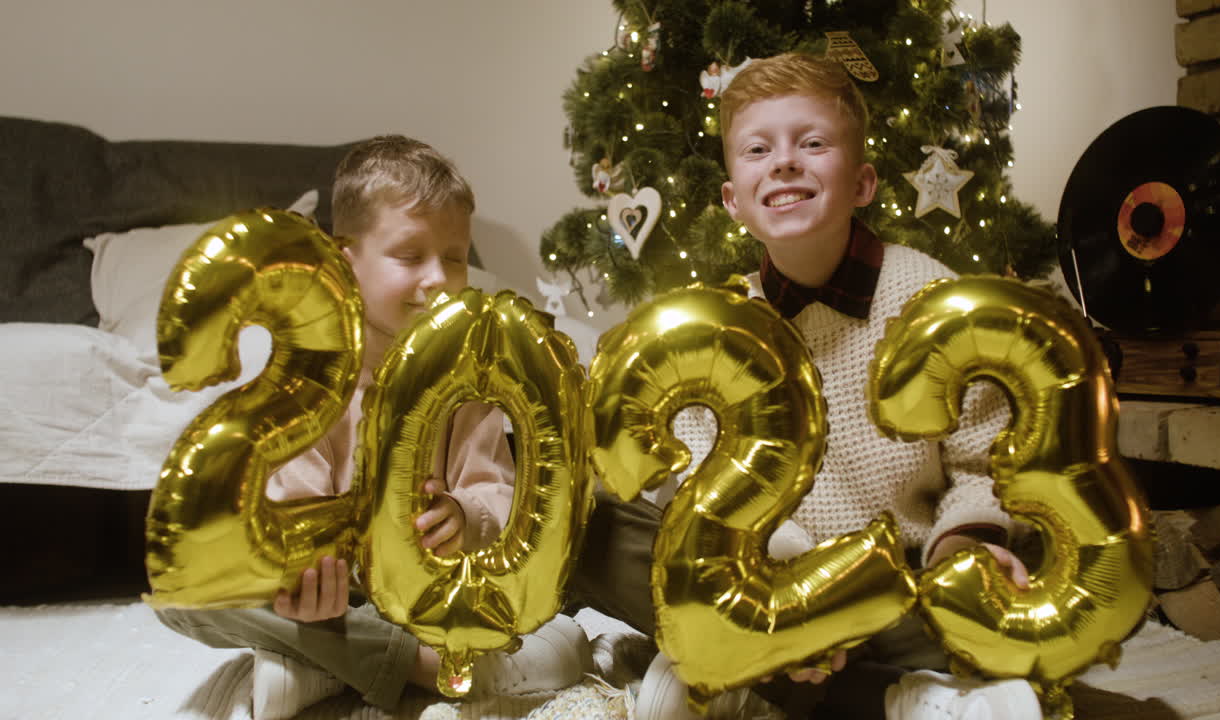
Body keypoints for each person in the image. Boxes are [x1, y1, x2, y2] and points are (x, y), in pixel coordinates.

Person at [608, 52, 1044, 719]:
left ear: (862, 183)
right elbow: (702, 489)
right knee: (606, 531)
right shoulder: (720, 327)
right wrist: (770, 583)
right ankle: (835, 685)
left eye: (812, 143)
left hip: (900, 579)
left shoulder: (932, 298)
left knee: (997, 599)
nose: (784, 162)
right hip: (767, 577)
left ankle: (772, 679)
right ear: (732, 200)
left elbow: (984, 466)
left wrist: (964, 552)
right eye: (758, 150)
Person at [155, 135, 590, 719]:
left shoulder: (469, 380)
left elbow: (498, 491)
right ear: (344, 260)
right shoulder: (311, 376)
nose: (439, 278)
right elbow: (286, 504)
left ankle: (320, 664)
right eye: (410, 256)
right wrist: (301, 578)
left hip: (432, 592)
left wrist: (465, 517)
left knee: (564, 631)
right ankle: (404, 663)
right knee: (183, 589)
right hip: (341, 602)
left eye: (455, 257)